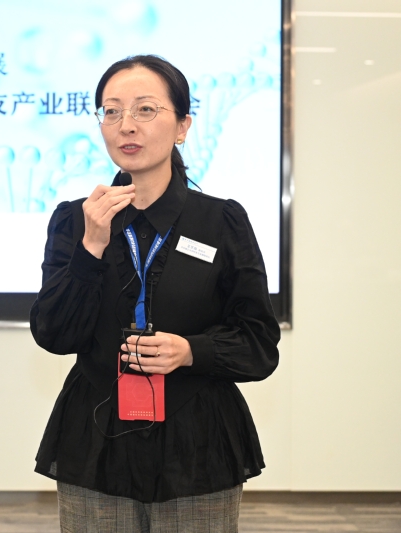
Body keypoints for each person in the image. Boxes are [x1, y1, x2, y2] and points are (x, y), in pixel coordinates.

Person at [30, 55, 280, 532]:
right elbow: (54, 334)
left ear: (183, 126)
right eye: (112, 111)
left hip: (198, 444)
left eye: (145, 109)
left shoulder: (221, 221)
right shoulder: (75, 220)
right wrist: (91, 246)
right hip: (96, 439)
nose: (126, 125)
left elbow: (259, 344)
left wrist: (191, 351)